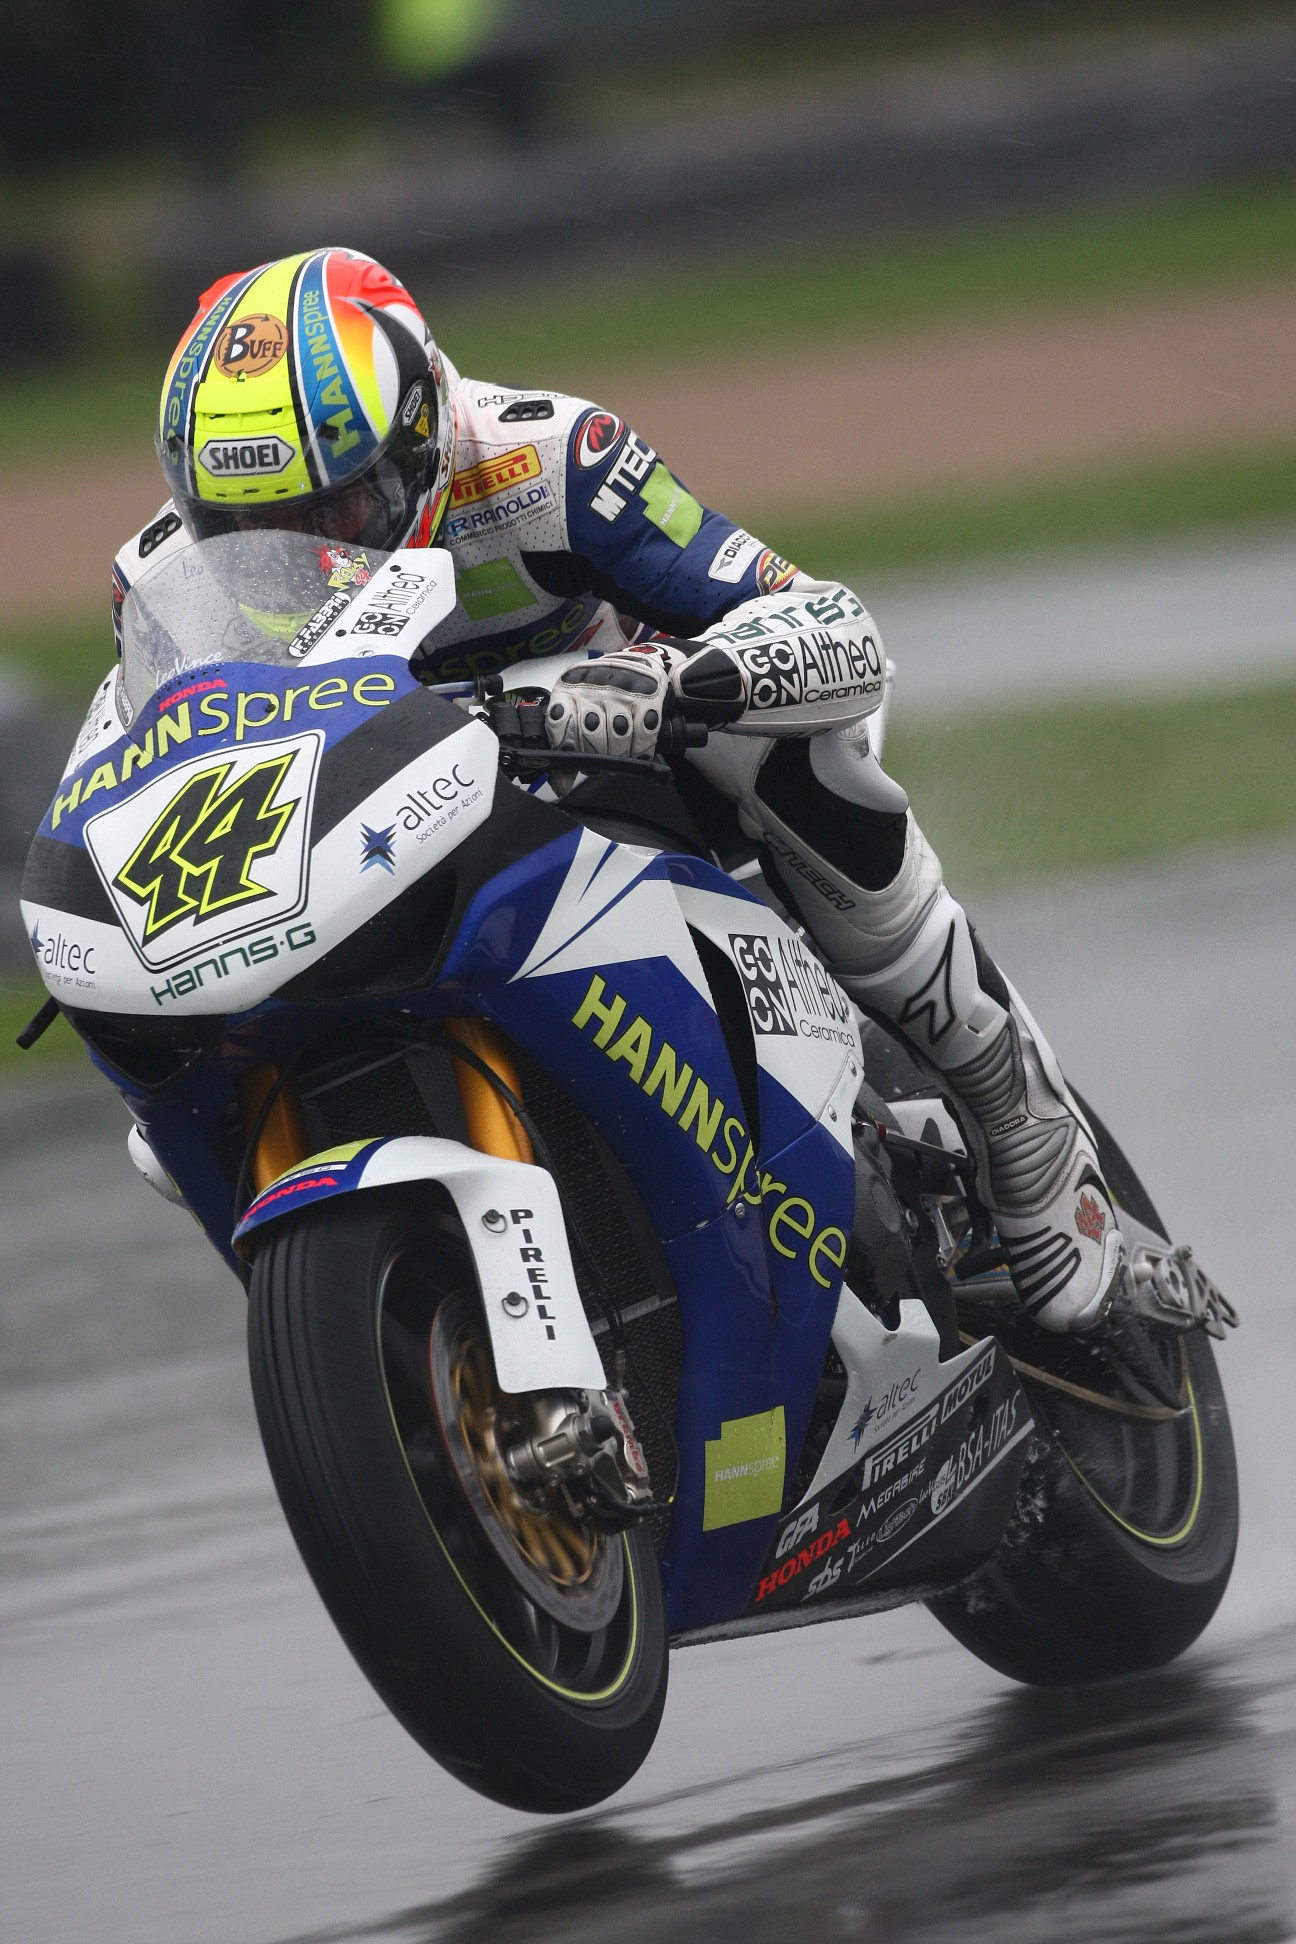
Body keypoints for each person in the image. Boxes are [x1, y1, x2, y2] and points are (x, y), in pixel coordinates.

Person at [117, 246, 1126, 1333]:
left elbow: (827, 623)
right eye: (247, 527)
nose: (292, 552)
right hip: (396, 832)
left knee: (791, 755)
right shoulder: (162, 583)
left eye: (334, 511)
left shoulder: (549, 459)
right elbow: (139, 765)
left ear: (419, 444)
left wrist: (676, 683)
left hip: (634, 777)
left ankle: (1013, 1102)